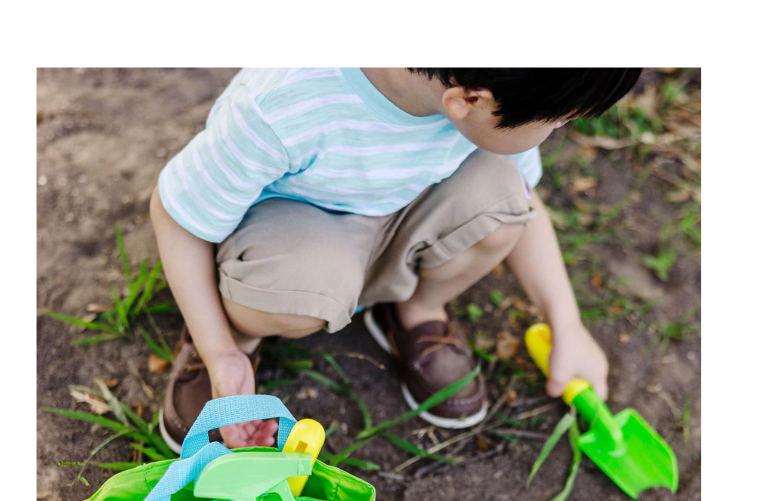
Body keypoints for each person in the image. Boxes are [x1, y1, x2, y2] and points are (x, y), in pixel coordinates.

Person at [151, 67, 641, 451]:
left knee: (505, 197)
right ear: (468, 101)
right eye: (557, 122)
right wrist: (221, 352)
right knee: (302, 287)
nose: (557, 131)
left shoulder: (476, 87)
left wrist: (566, 322)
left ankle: (417, 309)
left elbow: (524, 201)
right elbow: (177, 214)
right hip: (293, 236)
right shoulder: (288, 101)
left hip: (402, 214)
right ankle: (237, 334)